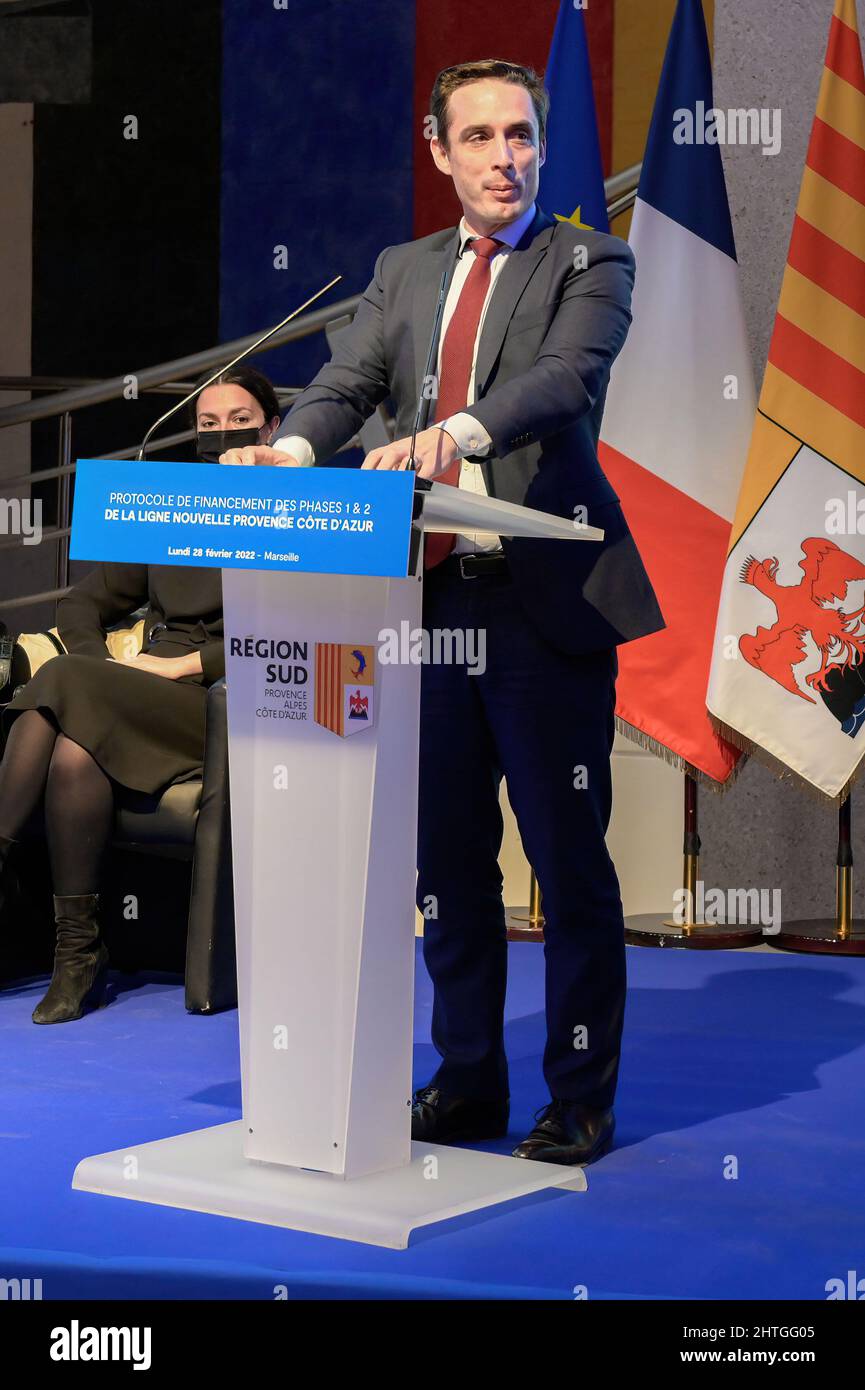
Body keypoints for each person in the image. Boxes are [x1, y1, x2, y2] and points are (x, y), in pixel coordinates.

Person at [220, 60, 664, 1165]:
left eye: (520, 136)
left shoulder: (589, 257)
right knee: (446, 865)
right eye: (479, 137)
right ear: (440, 152)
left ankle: (580, 1096)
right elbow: (345, 381)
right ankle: (467, 1077)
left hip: (541, 608)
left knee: (567, 863)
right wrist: (285, 451)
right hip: (418, 609)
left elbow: (560, 381)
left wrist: (445, 438)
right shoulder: (403, 268)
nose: (503, 157)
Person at [0, 366, 280, 1025]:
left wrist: (180, 669)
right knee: (73, 752)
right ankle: (78, 950)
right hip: (136, 699)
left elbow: (292, 631)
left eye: (238, 420)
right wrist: (106, 676)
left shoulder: (297, 513)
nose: (222, 435)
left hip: (221, 698)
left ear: (271, 427)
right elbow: (82, 606)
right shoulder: (176, 507)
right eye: (207, 424)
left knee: (66, 695)